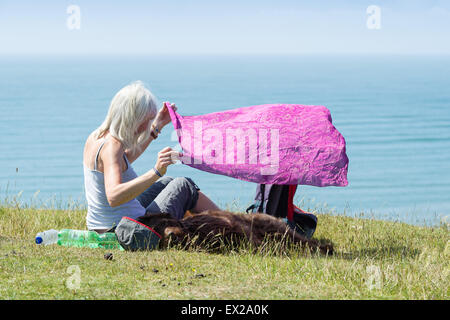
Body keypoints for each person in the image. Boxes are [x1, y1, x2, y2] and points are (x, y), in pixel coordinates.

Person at [83, 81, 220, 233]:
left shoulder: (97, 137)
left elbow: (122, 162)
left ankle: (212, 227)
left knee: (167, 183)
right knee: (184, 185)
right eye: (146, 121)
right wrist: (156, 171)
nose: (146, 127)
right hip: (129, 231)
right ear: (132, 118)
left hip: (104, 226)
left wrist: (157, 126)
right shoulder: (112, 146)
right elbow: (114, 197)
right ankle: (235, 228)